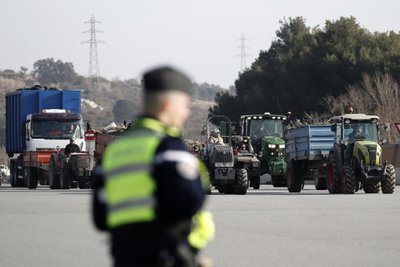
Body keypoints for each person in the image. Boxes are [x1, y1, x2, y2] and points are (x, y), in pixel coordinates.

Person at [92, 66, 214, 267]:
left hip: (123, 259)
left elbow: (100, 218)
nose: (187, 112)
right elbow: (190, 201)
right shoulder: (168, 149)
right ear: (167, 105)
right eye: (184, 105)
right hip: (166, 257)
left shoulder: (113, 153)